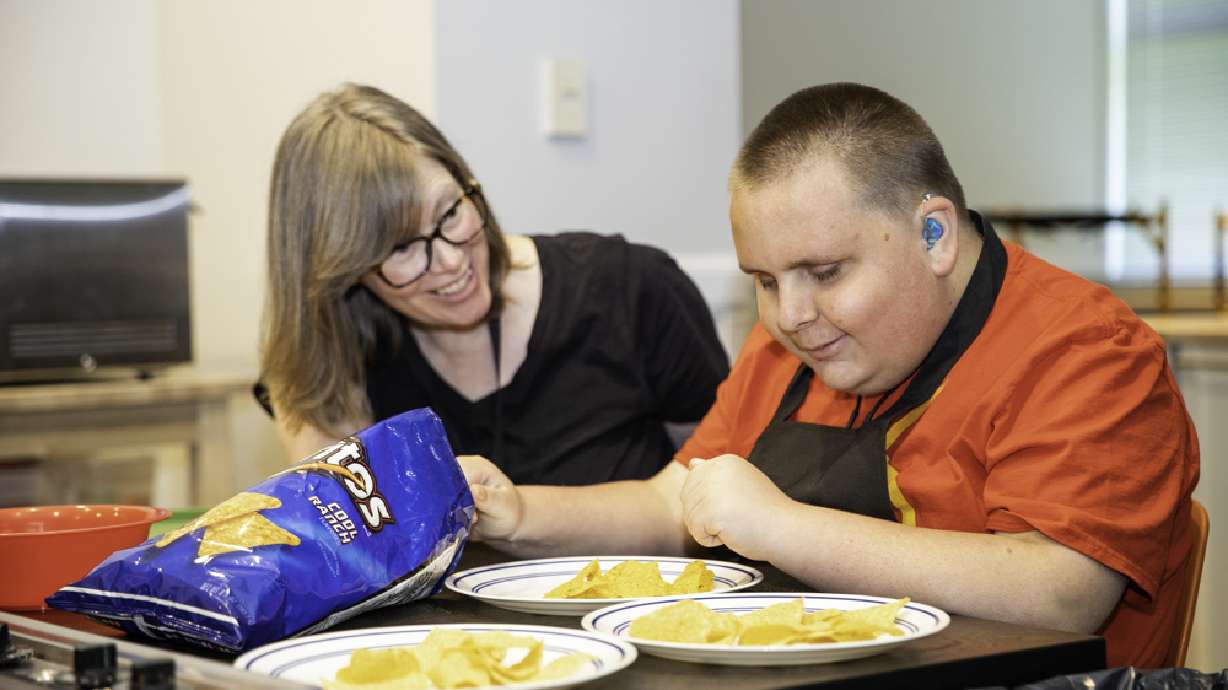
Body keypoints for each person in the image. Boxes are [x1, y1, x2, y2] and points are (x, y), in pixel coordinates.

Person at [461, 82, 1200, 669]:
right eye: (765, 279)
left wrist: (781, 526)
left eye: (824, 272)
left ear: (934, 233)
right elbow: (677, 500)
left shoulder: (1086, 352)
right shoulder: (797, 344)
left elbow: (1059, 594)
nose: (792, 314)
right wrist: (522, 514)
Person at [256, 82, 729, 485]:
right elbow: (347, 547)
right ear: (342, 273)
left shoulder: (633, 290)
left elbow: (715, 487)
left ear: (467, 181)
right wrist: (322, 357)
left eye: (451, 212)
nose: (448, 259)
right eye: (401, 249)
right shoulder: (340, 350)